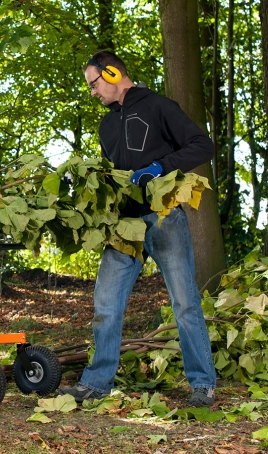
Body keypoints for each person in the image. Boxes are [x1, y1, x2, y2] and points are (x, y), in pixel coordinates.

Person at [57, 50, 217, 408]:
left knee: (185, 302)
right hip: (123, 226)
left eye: (94, 83)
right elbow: (114, 176)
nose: (93, 92)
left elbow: (202, 145)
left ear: (112, 73)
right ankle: (97, 383)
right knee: (106, 303)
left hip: (163, 217)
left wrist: (161, 166)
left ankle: (203, 384)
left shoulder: (160, 106)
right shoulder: (106, 125)